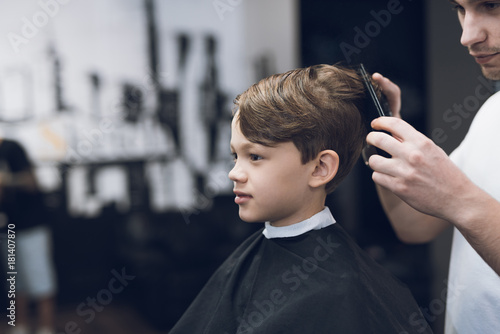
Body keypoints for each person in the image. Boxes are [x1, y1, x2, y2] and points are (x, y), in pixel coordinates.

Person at [169, 64, 433, 333]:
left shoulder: (344, 289)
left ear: (320, 168)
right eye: (235, 156)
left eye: (255, 156)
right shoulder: (250, 258)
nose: (234, 173)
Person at [365, 1, 500, 333]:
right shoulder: (492, 112)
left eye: (492, 6)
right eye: (460, 9)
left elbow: (459, 203)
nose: (468, 35)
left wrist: (458, 197)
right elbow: (414, 226)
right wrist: (382, 138)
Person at [0, 138, 57, 334]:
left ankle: (46, 328)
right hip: (7, 229)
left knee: (41, 280)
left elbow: (32, 182)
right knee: (15, 281)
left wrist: (6, 180)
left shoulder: (11, 148)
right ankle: (20, 326)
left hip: (32, 227)